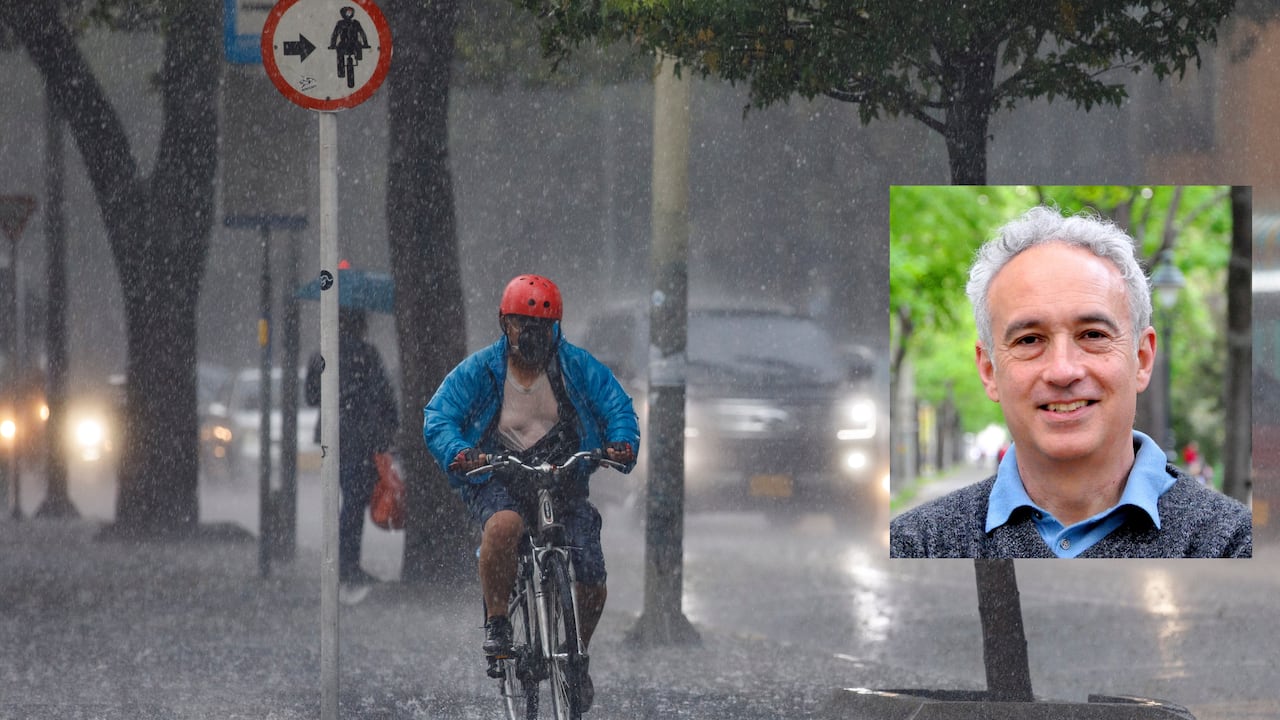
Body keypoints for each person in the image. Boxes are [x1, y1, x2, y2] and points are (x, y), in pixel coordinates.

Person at [890, 205, 1252, 558]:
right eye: (1029, 340)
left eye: (1093, 335)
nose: (1063, 371)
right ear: (988, 370)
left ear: (1142, 359)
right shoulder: (912, 546)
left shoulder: (1236, 547)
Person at [423, 274, 638, 712]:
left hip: (563, 479)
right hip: (497, 475)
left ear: (556, 326)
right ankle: (498, 621)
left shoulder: (577, 366)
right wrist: (461, 452)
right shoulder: (481, 370)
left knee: (592, 574)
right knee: (504, 526)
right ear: (505, 323)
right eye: (523, 322)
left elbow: (616, 405)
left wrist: (621, 442)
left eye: (542, 324)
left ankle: (575, 654)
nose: (532, 332)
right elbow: (439, 416)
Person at [305, 307, 399, 600]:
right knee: (354, 503)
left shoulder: (323, 354)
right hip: (360, 437)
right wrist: (389, 428)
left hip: (332, 436)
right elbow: (383, 395)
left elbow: (311, 396)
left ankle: (340, 563)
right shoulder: (367, 355)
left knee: (343, 500)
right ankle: (347, 565)